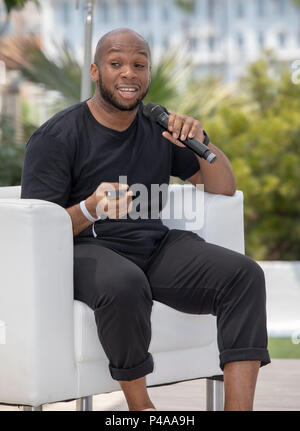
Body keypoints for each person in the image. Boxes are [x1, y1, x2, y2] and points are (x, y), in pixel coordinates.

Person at [21, 28, 270, 411]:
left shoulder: (160, 127)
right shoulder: (58, 136)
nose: (129, 74)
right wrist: (90, 208)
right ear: (95, 71)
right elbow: (36, 231)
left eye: (139, 65)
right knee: (124, 283)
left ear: (148, 73)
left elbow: (221, 187)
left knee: (245, 275)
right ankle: (142, 410)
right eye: (116, 63)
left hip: (153, 247)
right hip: (85, 249)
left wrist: (201, 140)